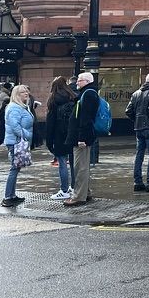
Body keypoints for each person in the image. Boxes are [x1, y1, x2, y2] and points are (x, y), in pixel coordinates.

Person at [63, 72, 99, 207]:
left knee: (80, 167)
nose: (77, 82)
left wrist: (82, 138)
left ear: (87, 81)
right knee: (81, 166)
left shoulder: (88, 94)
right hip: (81, 136)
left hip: (82, 138)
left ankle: (79, 196)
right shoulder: (87, 93)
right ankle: (86, 192)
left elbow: (85, 118)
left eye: (80, 80)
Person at [125, 72, 149, 193]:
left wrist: (137, 119)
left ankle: (138, 182)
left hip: (139, 128)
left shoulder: (136, 93)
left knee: (139, 154)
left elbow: (128, 111)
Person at [1, 85, 35, 207]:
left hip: (18, 141)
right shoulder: (14, 108)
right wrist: (27, 135)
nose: (26, 93)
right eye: (22, 92)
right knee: (14, 169)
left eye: (26, 91)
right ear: (16, 95)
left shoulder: (22, 106)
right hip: (15, 142)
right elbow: (15, 126)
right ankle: (8, 197)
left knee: (16, 168)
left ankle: (12, 195)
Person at [45, 76, 76, 200]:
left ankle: (64, 190)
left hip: (59, 136)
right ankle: (74, 187)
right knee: (74, 163)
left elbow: (50, 123)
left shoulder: (53, 100)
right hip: (72, 135)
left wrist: (49, 141)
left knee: (62, 164)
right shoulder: (73, 97)